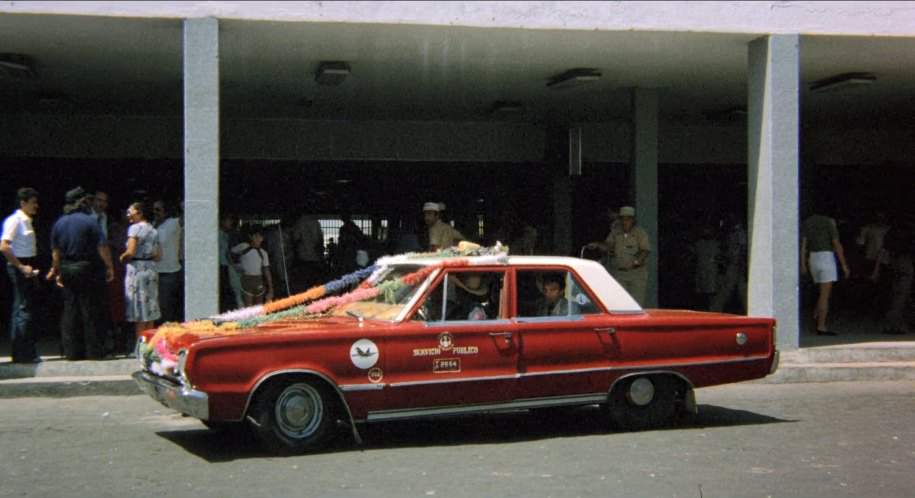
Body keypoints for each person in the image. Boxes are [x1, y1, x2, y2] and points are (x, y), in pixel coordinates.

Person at [47, 187, 115, 360]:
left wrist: (56, 270)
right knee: (90, 309)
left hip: (67, 267)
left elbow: (55, 251)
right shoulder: (90, 222)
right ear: (82, 202)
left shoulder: (59, 223)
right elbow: (102, 246)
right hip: (87, 268)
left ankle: (72, 351)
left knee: (70, 309)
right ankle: (93, 351)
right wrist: (109, 267)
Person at [1, 187, 42, 363]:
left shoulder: (27, 221)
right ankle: (22, 352)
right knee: (22, 308)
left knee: (25, 307)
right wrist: (20, 266)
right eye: (32, 203)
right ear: (23, 203)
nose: (36, 206)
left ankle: (25, 350)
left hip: (28, 263)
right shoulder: (15, 220)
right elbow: (4, 246)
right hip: (20, 265)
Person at [800, 205, 851, 336]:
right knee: (825, 295)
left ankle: (816, 317)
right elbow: (836, 244)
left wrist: (803, 264)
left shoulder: (807, 222)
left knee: (821, 292)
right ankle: (821, 326)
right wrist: (844, 265)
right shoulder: (829, 222)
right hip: (826, 257)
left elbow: (804, 245)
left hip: (813, 258)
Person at [586, 206, 651, 306]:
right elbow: (608, 246)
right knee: (620, 304)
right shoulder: (615, 232)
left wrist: (636, 262)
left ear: (633, 220)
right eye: (623, 219)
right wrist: (598, 245)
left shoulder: (640, 233)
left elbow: (645, 251)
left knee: (636, 304)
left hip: (636, 274)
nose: (625, 222)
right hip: (619, 274)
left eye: (628, 219)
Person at [119, 202, 161, 343]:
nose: (128, 214)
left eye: (130, 211)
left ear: (139, 212)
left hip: (137, 269)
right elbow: (158, 255)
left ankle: (140, 345)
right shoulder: (153, 230)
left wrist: (122, 257)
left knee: (139, 309)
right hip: (151, 269)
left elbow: (130, 252)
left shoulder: (134, 229)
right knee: (150, 310)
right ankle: (150, 344)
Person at [872, 220, 913, 335]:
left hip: (893, 263)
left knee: (895, 294)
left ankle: (891, 324)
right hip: (906, 262)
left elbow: (883, 251)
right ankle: (895, 324)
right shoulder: (909, 234)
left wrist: (876, 270)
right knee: (902, 296)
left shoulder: (890, 234)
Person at [710, 216, 748, 314]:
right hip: (732, 263)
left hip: (736, 264)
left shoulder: (739, 232)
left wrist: (741, 264)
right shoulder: (731, 233)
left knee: (730, 287)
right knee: (737, 288)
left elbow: (742, 249)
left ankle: (715, 309)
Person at [153, 199, 182, 324]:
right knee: (156, 308)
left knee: (166, 309)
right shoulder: (153, 224)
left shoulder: (174, 223)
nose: (155, 212)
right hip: (154, 272)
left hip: (169, 273)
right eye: (153, 209)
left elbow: (188, 216)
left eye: (158, 209)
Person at [232, 226, 274, 306]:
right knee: (248, 306)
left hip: (258, 279)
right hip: (246, 279)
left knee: (258, 307)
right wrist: (234, 266)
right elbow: (229, 254)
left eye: (260, 236)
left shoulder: (263, 253)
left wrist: (271, 288)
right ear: (250, 237)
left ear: (263, 238)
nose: (258, 239)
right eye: (255, 236)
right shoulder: (243, 246)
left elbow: (266, 271)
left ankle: (256, 318)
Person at [290, 212, 324, 292]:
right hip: (315, 258)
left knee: (304, 282)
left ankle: (306, 299)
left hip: (303, 258)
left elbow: (295, 239)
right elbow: (320, 241)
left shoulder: (299, 222)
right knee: (314, 282)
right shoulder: (316, 223)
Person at [691, 223, 721, 310]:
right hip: (701, 270)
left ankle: (711, 309)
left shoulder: (716, 244)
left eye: (709, 230)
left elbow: (719, 256)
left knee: (711, 292)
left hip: (712, 271)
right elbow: (694, 255)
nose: (707, 232)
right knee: (701, 292)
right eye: (705, 230)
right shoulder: (698, 243)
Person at [218, 213, 243, 311]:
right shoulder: (218, 234)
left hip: (226, 265)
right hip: (220, 265)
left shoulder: (226, 235)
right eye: (229, 220)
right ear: (222, 221)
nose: (230, 223)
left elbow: (228, 252)